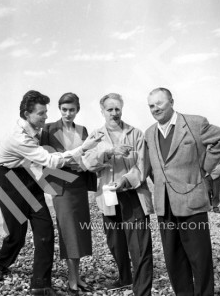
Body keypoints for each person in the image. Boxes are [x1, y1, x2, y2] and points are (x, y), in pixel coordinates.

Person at [0, 90, 101, 296]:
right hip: (7, 179)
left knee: (45, 230)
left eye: (45, 112)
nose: (46, 117)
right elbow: (51, 161)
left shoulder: (37, 130)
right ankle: (0, 264)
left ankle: (40, 284)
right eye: (41, 113)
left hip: (27, 176)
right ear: (27, 114)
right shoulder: (19, 136)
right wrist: (83, 147)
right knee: (17, 232)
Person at [145, 87, 220, 296]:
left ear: (171, 102)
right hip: (164, 205)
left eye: (159, 103)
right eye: (151, 106)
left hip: (192, 201)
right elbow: (152, 169)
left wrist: (204, 167)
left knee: (199, 258)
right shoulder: (149, 132)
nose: (155, 109)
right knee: (173, 259)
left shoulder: (195, 123)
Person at [82, 93, 154, 296]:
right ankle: (125, 277)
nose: (114, 113)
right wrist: (110, 151)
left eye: (117, 109)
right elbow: (87, 164)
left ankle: (142, 290)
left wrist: (125, 181)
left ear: (122, 109)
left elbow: (142, 166)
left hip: (133, 194)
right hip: (107, 195)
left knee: (139, 244)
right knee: (115, 242)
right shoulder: (96, 136)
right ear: (102, 111)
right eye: (109, 109)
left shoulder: (136, 134)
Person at [40, 93, 96, 295]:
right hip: (61, 187)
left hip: (79, 185)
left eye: (72, 109)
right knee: (68, 231)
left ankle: (77, 276)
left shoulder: (83, 130)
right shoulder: (48, 129)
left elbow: (88, 156)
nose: (68, 113)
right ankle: (72, 278)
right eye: (64, 109)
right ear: (59, 109)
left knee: (79, 231)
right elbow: (43, 158)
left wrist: (84, 165)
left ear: (77, 110)